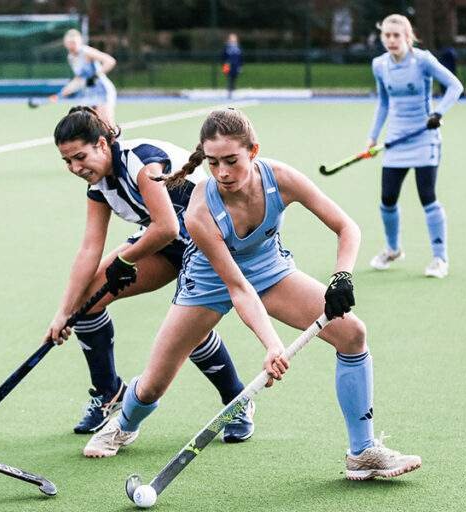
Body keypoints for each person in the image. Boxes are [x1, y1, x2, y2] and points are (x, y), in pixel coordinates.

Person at [82, 109, 423, 483]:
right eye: (213, 163)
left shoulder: (281, 178)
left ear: (253, 151)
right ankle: (124, 423)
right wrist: (272, 344)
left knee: (352, 334)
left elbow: (346, 227)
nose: (223, 173)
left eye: (231, 161)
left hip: (270, 270)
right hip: (209, 279)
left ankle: (362, 452)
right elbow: (237, 288)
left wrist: (342, 276)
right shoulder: (199, 209)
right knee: (153, 384)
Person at [48, 106, 252, 442]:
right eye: (67, 161)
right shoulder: (99, 186)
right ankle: (109, 394)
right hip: (168, 243)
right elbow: (89, 249)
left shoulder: (141, 162)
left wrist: (124, 261)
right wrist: (63, 312)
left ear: (102, 144)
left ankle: (237, 401)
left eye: (80, 156)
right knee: (86, 301)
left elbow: (167, 226)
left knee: (188, 330)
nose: (75, 167)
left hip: (211, 240)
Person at [366, 14, 463, 278]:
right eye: (387, 35)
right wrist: (372, 136)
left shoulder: (423, 61)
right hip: (396, 141)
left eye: (397, 35)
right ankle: (393, 249)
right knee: (387, 200)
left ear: (408, 37)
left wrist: (438, 113)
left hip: (424, 139)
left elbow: (455, 86)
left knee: (427, 197)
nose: (391, 40)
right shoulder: (380, 65)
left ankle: (440, 259)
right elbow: (384, 103)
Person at [42, 29, 117, 126]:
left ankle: (117, 140)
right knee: (87, 124)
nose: (72, 45)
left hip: (102, 91)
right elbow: (79, 79)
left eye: (74, 42)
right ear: (65, 44)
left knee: (107, 124)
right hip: (89, 93)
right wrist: (61, 94)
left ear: (80, 41)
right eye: (69, 42)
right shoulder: (71, 58)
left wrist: (95, 76)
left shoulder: (86, 51)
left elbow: (110, 61)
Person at [221, 33, 243, 98]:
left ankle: (233, 89)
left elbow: (241, 57)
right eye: (231, 38)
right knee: (229, 78)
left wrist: (240, 66)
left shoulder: (238, 47)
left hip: (236, 65)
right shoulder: (226, 47)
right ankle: (229, 91)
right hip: (227, 65)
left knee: (234, 77)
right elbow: (223, 56)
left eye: (234, 38)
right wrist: (224, 65)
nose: (233, 39)